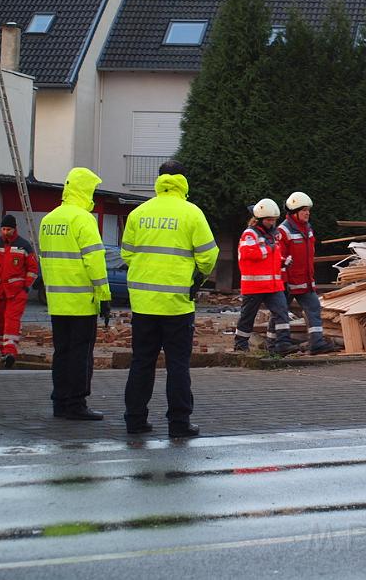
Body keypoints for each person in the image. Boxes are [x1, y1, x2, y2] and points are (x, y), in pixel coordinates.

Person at [122, 160, 218, 438]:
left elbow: (127, 254)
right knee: (177, 365)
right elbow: (208, 256)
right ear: (183, 181)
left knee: (141, 362)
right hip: (177, 304)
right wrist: (196, 278)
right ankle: (179, 423)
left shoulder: (139, 213)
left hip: (143, 304)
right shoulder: (192, 213)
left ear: (159, 180)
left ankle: (135, 420)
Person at [38, 168, 110, 420]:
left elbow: (45, 261)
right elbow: (95, 261)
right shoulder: (83, 219)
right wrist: (104, 295)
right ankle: (76, 404)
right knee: (80, 353)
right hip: (81, 302)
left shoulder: (49, 220)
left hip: (57, 301)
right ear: (85, 189)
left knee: (62, 352)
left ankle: (60, 401)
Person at [234, 199, 297, 355]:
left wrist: (282, 263)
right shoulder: (249, 234)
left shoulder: (270, 235)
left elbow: (270, 257)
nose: (272, 223)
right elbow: (249, 253)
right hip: (254, 286)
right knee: (248, 317)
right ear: (259, 219)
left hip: (273, 285)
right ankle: (240, 345)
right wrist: (269, 249)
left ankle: (282, 344)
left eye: (274, 220)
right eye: (269, 220)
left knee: (282, 312)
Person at [275, 191, 335, 354]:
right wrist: (284, 282)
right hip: (289, 281)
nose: (307, 213)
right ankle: (275, 343)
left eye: (308, 210)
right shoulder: (283, 231)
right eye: (304, 210)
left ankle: (317, 343)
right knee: (279, 312)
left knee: (314, 307)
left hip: (305, 280)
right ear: (294, 212)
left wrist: (311, 279)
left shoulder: (307, 229)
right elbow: (279, 258)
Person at [0, 214, 39, 369]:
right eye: (4, 229)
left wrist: (25, 286)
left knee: (11, 322)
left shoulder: (24, 246)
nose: (6, 232)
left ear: (15, 229)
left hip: (16, 293)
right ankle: (4, 354)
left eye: (8, 229)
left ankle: (10, 353)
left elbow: (33, 269)